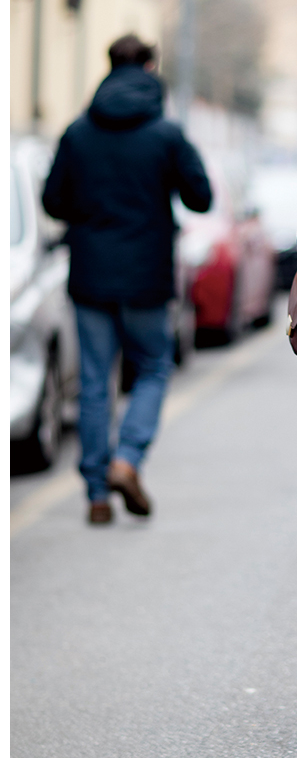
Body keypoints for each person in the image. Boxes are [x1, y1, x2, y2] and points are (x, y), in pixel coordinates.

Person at [43, 34, 212, 524]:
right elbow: (200, 197)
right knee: (153, 367)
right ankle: (127, 459)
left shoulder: (77, 133)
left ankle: (97, 493)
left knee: (95, 381)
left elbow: (53, 201)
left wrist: (91, 211)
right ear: (151, 69)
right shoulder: (166, 134)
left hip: (90, 276)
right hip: (147, 278)